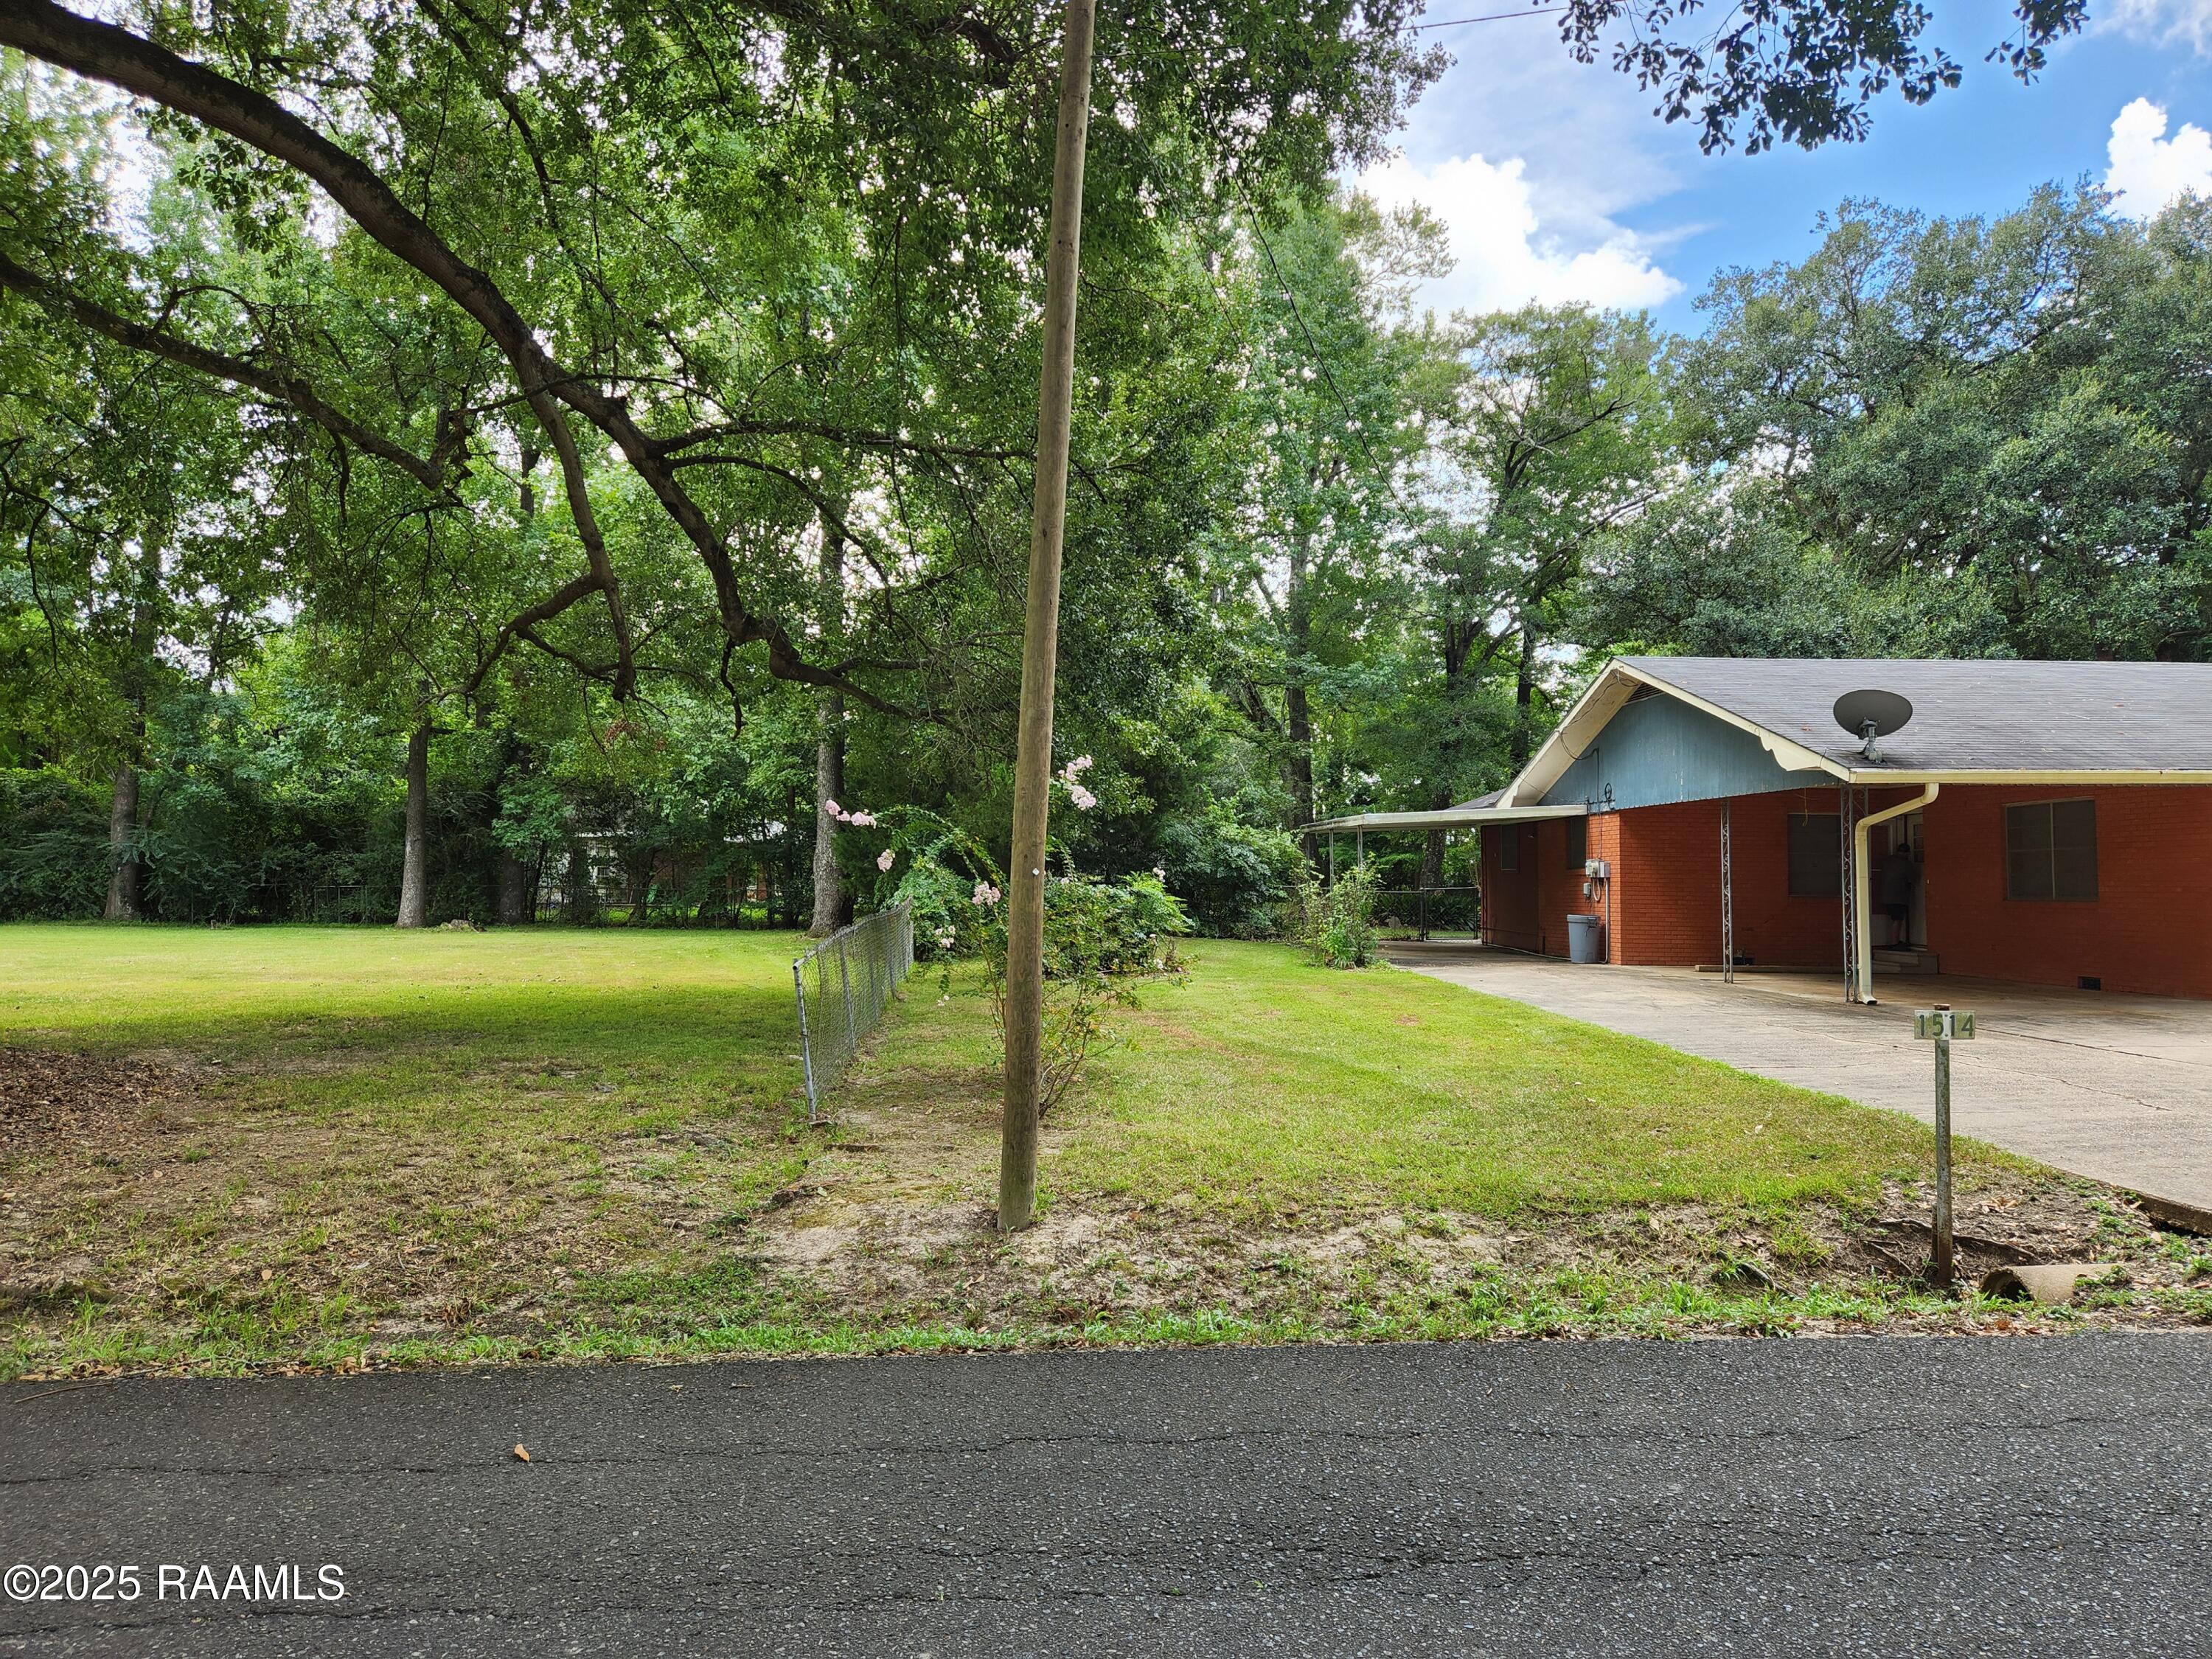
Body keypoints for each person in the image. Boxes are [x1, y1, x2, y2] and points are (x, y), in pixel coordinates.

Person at [1880, 843, 1916, 945]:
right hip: (1899, 897)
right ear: (1907, 853)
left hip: (1886, 895)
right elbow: (1912, 880)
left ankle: (1894, 940)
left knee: (1893, 918)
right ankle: (1895, 942)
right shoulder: (1906, 864)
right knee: (1898, 919)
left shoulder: (1888, 861)